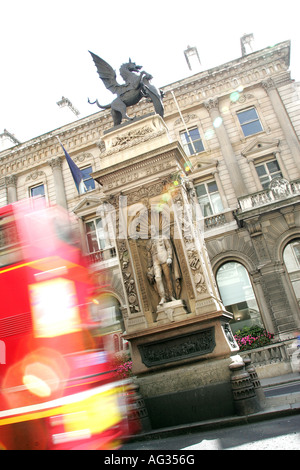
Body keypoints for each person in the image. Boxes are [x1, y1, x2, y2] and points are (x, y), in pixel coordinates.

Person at [146, 225, 176, 305]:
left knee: (168, 279)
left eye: (152, 229)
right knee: (158, 278)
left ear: (155, 230)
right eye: (150, 230)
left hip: (164, 259)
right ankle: (163, 297)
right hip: (155, 262)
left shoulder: (163, 237)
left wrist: (170, 257)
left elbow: (169, 247)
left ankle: (171, 295)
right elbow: (149, 256)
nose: (151, 231)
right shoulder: (149, 243)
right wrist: (149, 266)